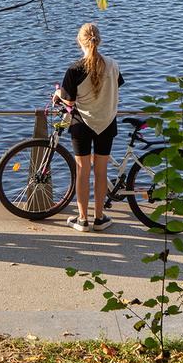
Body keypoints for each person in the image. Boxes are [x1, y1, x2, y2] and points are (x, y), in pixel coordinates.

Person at [54, 23, 123, 232]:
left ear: (79, 41)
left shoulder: (74, 69)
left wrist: (58, 94)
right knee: (101, 172)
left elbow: (69, 101)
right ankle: (99, 218)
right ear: (99, 40)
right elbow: (116, 85)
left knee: (82, 171)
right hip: (107, 123)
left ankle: (82, 219)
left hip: (82, 124)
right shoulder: (113, 65)